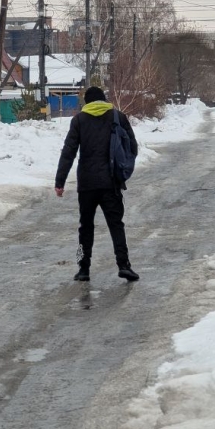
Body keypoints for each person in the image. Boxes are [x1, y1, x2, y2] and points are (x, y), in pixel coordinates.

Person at [55, 86, 139, 282]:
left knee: (85, 227)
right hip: (111, 182)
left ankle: (83, 268)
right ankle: (124, 265)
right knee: (116, 225)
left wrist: (60, 181)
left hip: (86, 184)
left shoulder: (78, 121)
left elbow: (68, 152)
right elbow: (132, 147)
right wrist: (123, 169)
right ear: (104, 99)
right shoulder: (118, 116)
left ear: (86, 102)